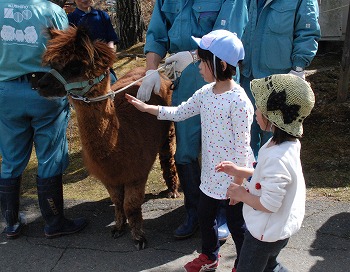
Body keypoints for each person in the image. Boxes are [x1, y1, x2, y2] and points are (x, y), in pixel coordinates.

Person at [127, 29, 254, 272]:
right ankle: (209, 256)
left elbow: (242, 147)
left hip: (234, 179)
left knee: (237, 225)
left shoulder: (239, 101)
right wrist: (148, 109)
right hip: (210, 176)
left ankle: (243, 263)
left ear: (221, 63)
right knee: (205, 217)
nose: (198, 67)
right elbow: (180, 112)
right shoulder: (206, 93)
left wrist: (238, 184)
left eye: (202, 61)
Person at [137, 0, 249, 242]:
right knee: (185, 150)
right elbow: (156, 35)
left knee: (223, 150)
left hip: (219, 76)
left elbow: (231, 36)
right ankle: (195, 213)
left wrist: (195, 54)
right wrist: (150, 70)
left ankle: (223, 215)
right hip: (185, 78)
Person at [0, 0, 87, 239]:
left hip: (6, 91)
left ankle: (11, 222)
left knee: (10, 158)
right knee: (50, 156)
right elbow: (69, 53)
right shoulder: (52, 11)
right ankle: (53, 221)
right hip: (45, 90)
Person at [216, 74, 315, 272]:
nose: (255, 112)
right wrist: (240, 171)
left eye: (260, 107)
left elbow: (269, 204)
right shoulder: (285, 144)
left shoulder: (277, 157)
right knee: (270, 265)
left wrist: (242, 194)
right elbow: (266, 177)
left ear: (274, 116)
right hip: (277, 228)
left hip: (264, 233)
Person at [240, 0, 321, 159]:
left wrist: (298, 68)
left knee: (275, 142)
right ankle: (250, 180)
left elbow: (307, 32)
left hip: (279, 83)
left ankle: (272, 180)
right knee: (245, 137)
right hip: (247, 77)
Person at [68, 0, 119, 84]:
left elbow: (111, 39)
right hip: (83, 67)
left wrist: (109, 59)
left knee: (112, 85)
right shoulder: (71, 18)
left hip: (103, 65)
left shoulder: (102, 15)